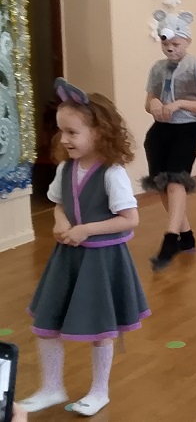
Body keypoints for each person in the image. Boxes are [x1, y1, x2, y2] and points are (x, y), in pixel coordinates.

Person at [20, 79, 150, 417]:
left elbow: (130, 219)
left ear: (99, 132)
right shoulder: (66, 168)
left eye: (72, 132)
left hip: (102, 261)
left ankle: (99, 390)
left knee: (100, 328)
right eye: (61, 131)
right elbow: (59, 204)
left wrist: (86, 230)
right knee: (47, 321)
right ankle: (51, 387)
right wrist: (60, 222)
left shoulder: (112, 173)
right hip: (68, 257)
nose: (64, 139)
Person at [143, 10, 196, 270]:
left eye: (176, 44)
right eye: (166, 44)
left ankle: (170, 238)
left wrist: (180, 104)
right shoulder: (157, 68)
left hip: (187, 129)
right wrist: (154, 103)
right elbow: (149, 101)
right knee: (163, 184)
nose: (170, 48)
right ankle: (186, 237)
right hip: (160, 131)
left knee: (176, 180)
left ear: (187, 41)